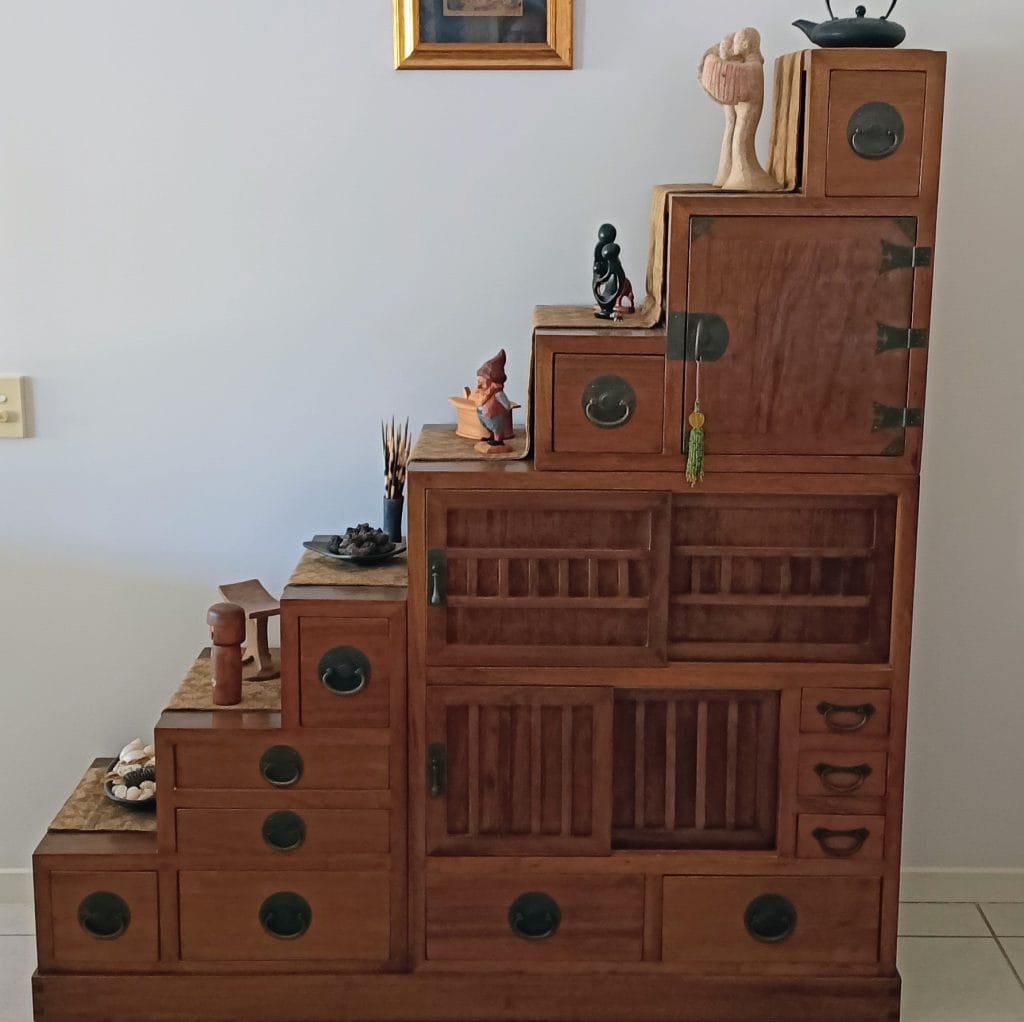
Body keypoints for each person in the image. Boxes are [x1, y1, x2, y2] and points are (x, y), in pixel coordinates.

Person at [469, 349, 514, 449]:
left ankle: (498, 440)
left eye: (482, 380)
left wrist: (506, 408)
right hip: (484, 414)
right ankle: (492, 437)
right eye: (479, 379)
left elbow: (506, 404)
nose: (479, 382)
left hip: (494, 414)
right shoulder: (482, 391)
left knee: (496, 427)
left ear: (491, 380)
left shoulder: (497, 392)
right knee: (488, 426)